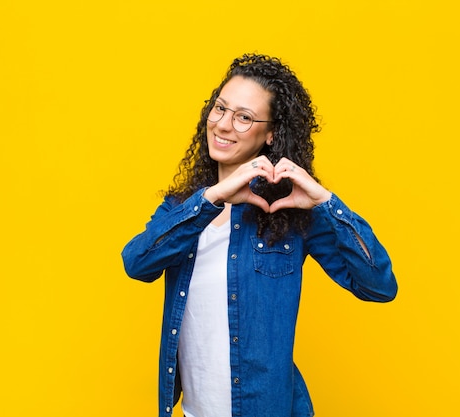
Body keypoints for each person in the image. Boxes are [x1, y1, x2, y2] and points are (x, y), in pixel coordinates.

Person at [122, 53, 397, 417]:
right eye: (219, 108)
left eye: (244, 117)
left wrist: (326, 203)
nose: (223, 125)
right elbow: (137, 263)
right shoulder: (183, 208)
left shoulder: (291, 214)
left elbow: (378, 286)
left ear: (270, 135)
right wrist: (211, 199)